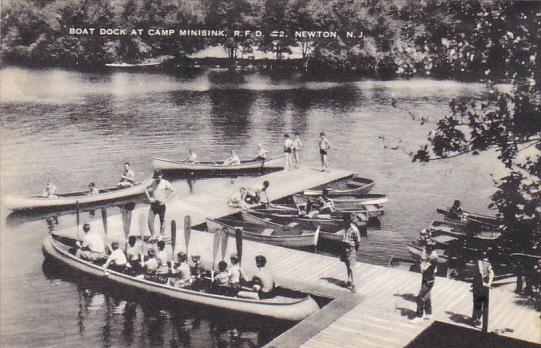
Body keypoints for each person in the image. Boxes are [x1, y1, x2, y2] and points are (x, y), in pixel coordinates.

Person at [411, 239, 439, 323]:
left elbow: (423, 268)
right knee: (427, 296)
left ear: (431, 248)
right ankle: (428, 313)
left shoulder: (432, 257)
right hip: (428, 277)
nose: (426, 249)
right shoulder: (431, 254)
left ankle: (419, 316)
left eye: (428, 247)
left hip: (428, 279)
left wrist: (419, 262)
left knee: (420, 297)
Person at [145, 171, 175, 240]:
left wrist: (166, 200)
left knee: (162, 220)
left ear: (161, 175)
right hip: (153, 204)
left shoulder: (165, 182)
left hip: (161, 204)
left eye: (159, 176)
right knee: (149, 220)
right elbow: (145, 188)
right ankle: (152, 235)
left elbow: (173, 191)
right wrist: (149, 198)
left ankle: (161, 235)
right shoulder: (152, 182)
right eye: (157, 177)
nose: (158, 179)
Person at [472, 252, 494, 330]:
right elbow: (490, 273)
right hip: (482, 285)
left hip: (479, 285)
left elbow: (481, 272)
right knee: (481, 303)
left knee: (478, 302)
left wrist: (485, 283)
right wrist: (489, 283)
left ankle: (476, 318)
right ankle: (477, 318)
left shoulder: (480, 262)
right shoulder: (487, 264)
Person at [340, 214, 361, 293]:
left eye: (345, 220)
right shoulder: (346, 227)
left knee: (351, 267)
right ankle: (349, 281)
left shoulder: (354, 229)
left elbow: (358, 241)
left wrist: (354, 249)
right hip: (345, 248)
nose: (343, 222)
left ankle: (353, 284)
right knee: (347, 265)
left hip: (351, 248)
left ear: (348, 220)